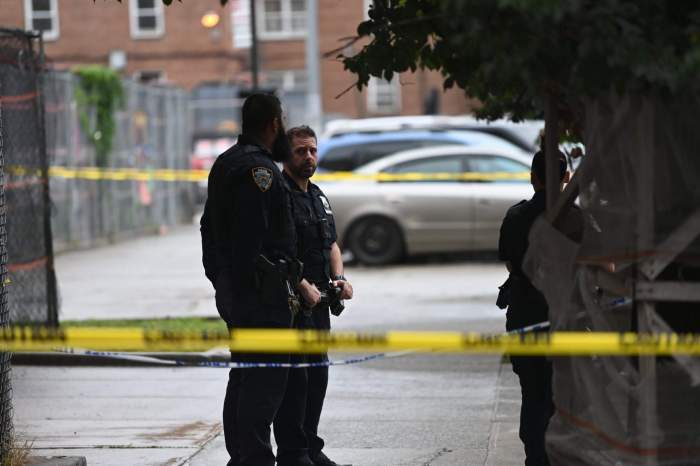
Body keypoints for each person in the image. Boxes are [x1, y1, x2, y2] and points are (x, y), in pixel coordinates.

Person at [200, 94, 314, 466]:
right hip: (260, 298)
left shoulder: (226, 163)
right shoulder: (258, 172)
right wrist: (269, 285)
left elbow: (208, 229)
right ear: (272, 124)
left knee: (245, 377)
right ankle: (254, 459)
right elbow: (254, 239)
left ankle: (244, 458)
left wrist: (220, 278)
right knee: (263, 385)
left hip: (240, 292)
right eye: (281, 121)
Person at [281, 125, 354, 466]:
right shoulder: (279, 194)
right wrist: (299, 285)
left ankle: (311, 447)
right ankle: (293, 453)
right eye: (300, 151)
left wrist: (339, 279)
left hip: (320, 305)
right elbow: (276, 250)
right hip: (291, 306)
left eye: (312, 150)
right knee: (296, 380)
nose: (308, 157)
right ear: (287, 154)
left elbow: (332, 244)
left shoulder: (318, 194)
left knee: (317, 377)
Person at [497, 149, 570, 466]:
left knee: (532, 392)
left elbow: (510, 262)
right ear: (566, 178)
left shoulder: (516, 216)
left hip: (525, 315)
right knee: (560, 393)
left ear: (532, 176)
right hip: (566, 317)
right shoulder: (575, 218)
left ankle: (535, 458)